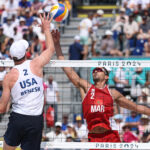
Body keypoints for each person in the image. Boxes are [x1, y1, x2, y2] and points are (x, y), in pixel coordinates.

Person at [52, 30, 150, 145]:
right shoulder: (87, 88)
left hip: (111, 136)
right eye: (94, 70)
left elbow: (137, 107)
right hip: (94, 138)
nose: (96, 71)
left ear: (107, 77)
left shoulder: (112, 93)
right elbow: (67, 68)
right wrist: (57, 44)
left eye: (99, 70)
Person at [0, 13, 55, 150]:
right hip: (35, 119)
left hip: (18, 117)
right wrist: (46, 28)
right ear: (26, 53)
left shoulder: (8, 77)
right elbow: (51, 49)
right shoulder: (35, 64)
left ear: (12, 57)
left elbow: (2, 108)